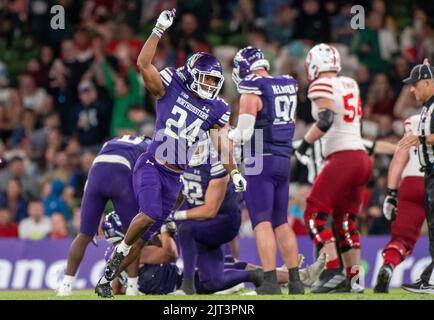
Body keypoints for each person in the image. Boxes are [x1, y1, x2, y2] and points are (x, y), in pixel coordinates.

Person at [96, 8, 246, 298]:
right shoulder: (171, 85)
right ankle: (119, 254)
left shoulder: (214, 108)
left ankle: (107, 278)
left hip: (176, 177)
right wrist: (158, 29)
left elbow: (221, 143)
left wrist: (235, 171)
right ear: (191, 73)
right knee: (150, 214)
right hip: (153, 163)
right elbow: (142, 63)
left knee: (147, 236)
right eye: (206, 79)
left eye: (215, 82)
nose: (211, 86)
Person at [295, 44, 372, 293]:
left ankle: (332, 272)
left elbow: (326, 120)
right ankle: (354, 279)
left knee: (314, 216)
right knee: (346, 220)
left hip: (343, 157)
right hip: (361, 157)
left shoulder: (320, 84)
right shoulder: (350, 83)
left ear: (314, 65)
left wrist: (305, 145)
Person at [103, 211, 327, 296]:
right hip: (182, 285)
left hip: (178, 281)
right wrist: (165, 228)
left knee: (233, 262)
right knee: (240, 270)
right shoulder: (135, 252)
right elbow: (170, 254)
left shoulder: (114, 255)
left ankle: (292, 275)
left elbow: (116, 289)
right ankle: (296, 276)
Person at [228, 46, 304, 295]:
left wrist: (223, 134)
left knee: (262, 222)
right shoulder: (285, 83)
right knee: (281, 222)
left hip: (260, 158)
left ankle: (270, 281)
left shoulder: (252, 88)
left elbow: (244, 133)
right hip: (283, 158)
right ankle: (295, 281)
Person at [56, 135, 151, 296]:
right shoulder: (148, 145)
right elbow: (145, 177)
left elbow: (98, 166)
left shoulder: (113, 141)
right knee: (133, 237)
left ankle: (65, 285)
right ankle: (132, 286)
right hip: (120, 174)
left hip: (96, 174)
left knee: (83, 235)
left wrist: (92, 209)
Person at [172, 137, 263, 295]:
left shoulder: (217, 163)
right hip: (202, 224)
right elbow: (179, 193)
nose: (193, 149)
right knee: (212, 282)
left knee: (185, 228)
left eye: (196, 144)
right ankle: (256, 276)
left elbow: (209, 210)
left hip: (223, 222)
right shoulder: (179, 160)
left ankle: (187, 287)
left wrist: (175, 215)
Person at [374, 115, 425, 293]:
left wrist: (391, 193)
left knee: (402, 239)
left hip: (411, 181)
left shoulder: (415, 121)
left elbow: (399, 159)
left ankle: (389, 265)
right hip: (430, 180)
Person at [397, 60, 434, 294]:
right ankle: (428, 278)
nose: (412, 89)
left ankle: (430, 280)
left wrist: (420, 139)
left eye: (415, 84)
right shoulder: (428, 106)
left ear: (429, 83)